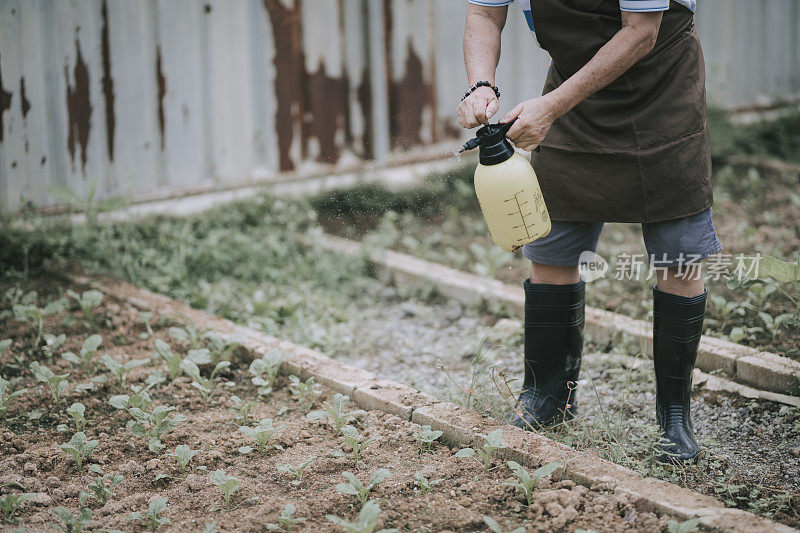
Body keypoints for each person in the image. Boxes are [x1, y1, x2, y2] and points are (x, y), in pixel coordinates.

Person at [457, 0, 721, 463]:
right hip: (574, 94)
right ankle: (547, 400)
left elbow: (641, 31)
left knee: (679, 255)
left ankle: (674, 418)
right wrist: (480, 83)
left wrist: (551, 107)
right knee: (552, 247)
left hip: (662, 87)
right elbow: (484, 13)